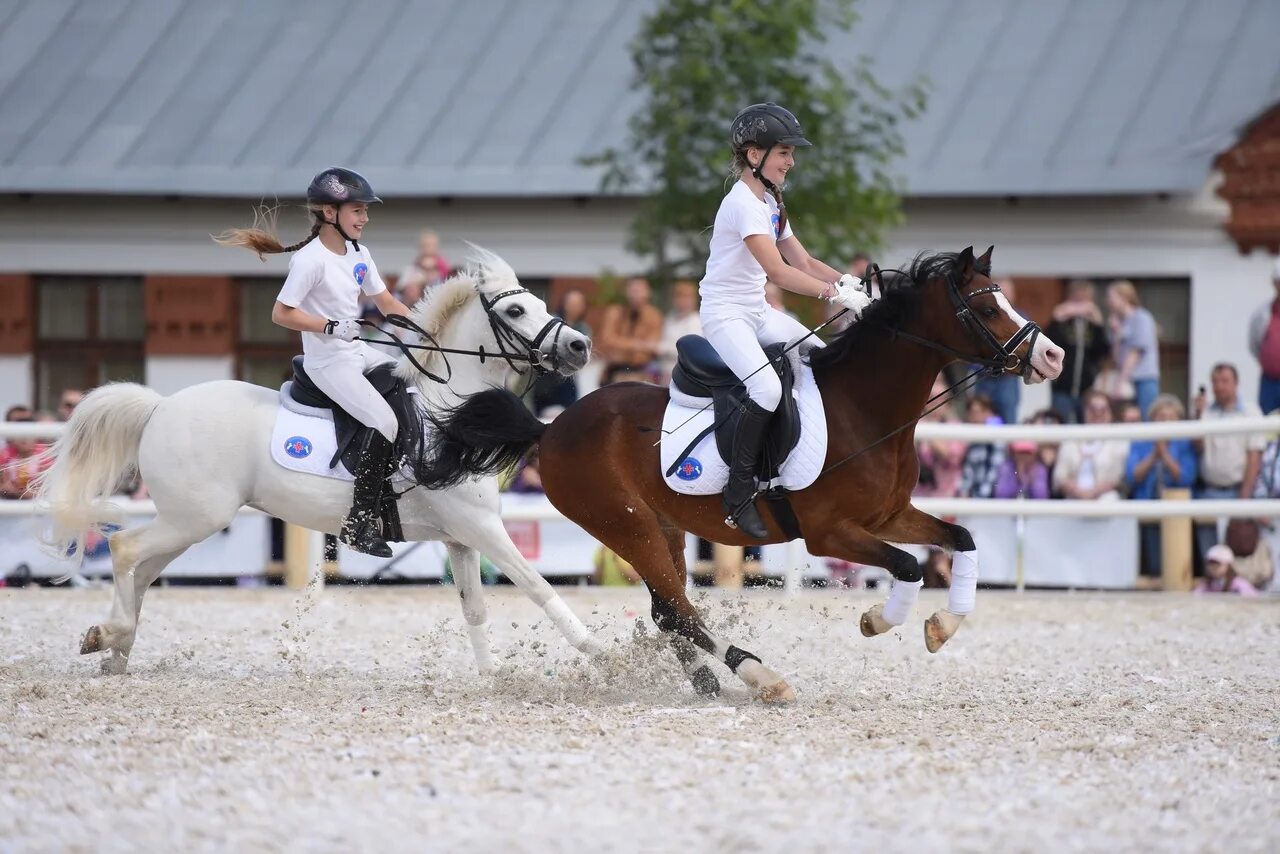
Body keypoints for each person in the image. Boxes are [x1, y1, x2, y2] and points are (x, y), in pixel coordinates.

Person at [216, 167, 413, 557]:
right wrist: (329, 326)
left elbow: (386, 302)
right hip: (328, 364)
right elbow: (281, 313)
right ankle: (358, 523)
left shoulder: (360, 253)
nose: (365, 218)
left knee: (409, 382)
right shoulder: (310, 261)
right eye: (357, 210)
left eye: (364, 211)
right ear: (328, 212)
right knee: (385, 421)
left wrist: (423, 329)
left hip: (356, 352)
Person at [699, 102, 868, 537]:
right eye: (784, 153)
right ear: (754, 155)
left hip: (756, 311)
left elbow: (804, 260)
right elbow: (778, 272)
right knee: (766, 387)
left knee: (821, 355)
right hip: (725, 316)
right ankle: (738, 492)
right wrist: (835, 295)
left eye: (791, 154)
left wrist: (851, 282)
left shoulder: (771, 199)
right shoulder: (743, 204)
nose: (791, 162)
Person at [1193, 362, 1267, 560]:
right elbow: (1197, 448)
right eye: (1215, 382)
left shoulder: (1251, 412)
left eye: (1224, 381)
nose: (1219, 386)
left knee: (1237, 549)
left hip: (1237, 490)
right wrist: (1197, 415)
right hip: (1209, 490)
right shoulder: (1207, 413)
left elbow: (1254, 456)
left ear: (1236, 383)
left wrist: (1245, 495)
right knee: (1210, 556)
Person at [1125, 394, 1198, 576]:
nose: (1165, 421)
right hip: (1147, 506)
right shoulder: (1140, 442)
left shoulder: (1185, 444)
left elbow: (1186, 478)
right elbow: (1132, 476)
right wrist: (1153, 456)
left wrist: (1164, 455)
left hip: (1177, 510)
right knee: (1153, 563)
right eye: (1161, 417)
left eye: (1171, 417)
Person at [1046, 280, 1110, 423]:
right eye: (1078, 299)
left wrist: (1099, 324)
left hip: (1086, 389)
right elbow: (1049, 345)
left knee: (1087, 426)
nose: (1081, 305)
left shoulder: (1092, 325)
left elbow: (1103, 351)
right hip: (1062, 388)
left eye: (1085, 299)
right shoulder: (1062, 323)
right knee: (1061, 423)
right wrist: (1056, 319)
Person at [1053, 389, 1129, 500]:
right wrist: (1076, 490)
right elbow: (1059, 476)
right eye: (1092, 409)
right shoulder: (1071, 439)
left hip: (1105, 497)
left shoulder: (1119, 441)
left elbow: (1120, 477)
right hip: (1074, 496)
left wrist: (1096, 491)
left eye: (1103, 409)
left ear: (1111, 413)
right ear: (1085, 411)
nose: (1097, 413)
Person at [1104, 279, 1160, 419]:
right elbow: (1116, 359)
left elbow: (1135, 353)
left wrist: (1120, 381)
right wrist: (1116, 333)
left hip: (1144, 379)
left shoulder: (1141, 318)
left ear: (1124, 297)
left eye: (1111, 297)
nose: (1108, 301)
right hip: (1128, 381)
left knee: (1147, 418)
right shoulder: (1119, 322)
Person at [532, 289, 593, 416]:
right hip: (545, 380)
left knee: (568, 417)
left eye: (578, 304)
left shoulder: (583, 328)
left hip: (567, 380)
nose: (574, 307)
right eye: (571, 303)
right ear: (564, 303)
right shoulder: (552, 321)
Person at [970, 279, 1022, 425]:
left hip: (1008, 380)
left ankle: (1006, 448)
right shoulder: (983, 317)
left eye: (1008, 292)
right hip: (984, 378)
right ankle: (979, 449)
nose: (1005, 295)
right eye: (1001, 292)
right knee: (978, 420)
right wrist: (979, 366)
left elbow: (1026, 350)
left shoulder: (1021, 318)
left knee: (1008, 420)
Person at [597, 277, 664, 384]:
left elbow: (652, 346)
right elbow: (606, 340)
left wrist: (621, 344)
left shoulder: (654, 316)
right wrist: (638, 344)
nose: (635, 295)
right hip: (615, 371)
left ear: (648, 292)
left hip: (641, 372)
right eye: (632, 290)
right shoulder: (615, 312)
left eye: (639, 290)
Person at [914, 377, 965, 499]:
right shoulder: (916, 424)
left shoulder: (956, 426)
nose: (936, 403)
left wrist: (925, 431)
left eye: (941, 399)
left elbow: (952, 456)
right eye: (932, 399)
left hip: (948, 492)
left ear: (948, 402)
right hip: (918, 491)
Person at [1247, 256, 1280, 414]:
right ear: (1274, 283)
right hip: (1269, 381)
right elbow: (1254, 345)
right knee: (1268, 427)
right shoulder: (1262, 313)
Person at [958, 395, 1005, 499]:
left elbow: (995, 470)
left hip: (990, 498)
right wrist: (964, 492)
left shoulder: (996, 436)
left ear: (988, 412)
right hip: (970, 497)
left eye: (977, 412)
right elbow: (967, 470)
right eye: (971, 413)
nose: (974, 416)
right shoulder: (968, 437)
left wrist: (980, 496)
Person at [655, 281, 703, 381]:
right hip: (665, 372)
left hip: (686, 376)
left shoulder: (697, 321)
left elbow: (689, 351)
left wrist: (659, 348)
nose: (683, 301)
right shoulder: (670, 318)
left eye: (687, 297)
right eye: (679, 297)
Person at [397, 229, 451, 300]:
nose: (428, 248)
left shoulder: (446, 271)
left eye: (431, 245)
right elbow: (397, 294)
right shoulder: (411, 270)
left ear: (437, 247)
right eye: (425, 245)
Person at [1193, 544, 1259, 596]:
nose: (1213, 567)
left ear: (1228, 565)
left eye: (1217, 564)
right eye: (1210, 564)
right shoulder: (1205, 587)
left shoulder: (1239, 586)